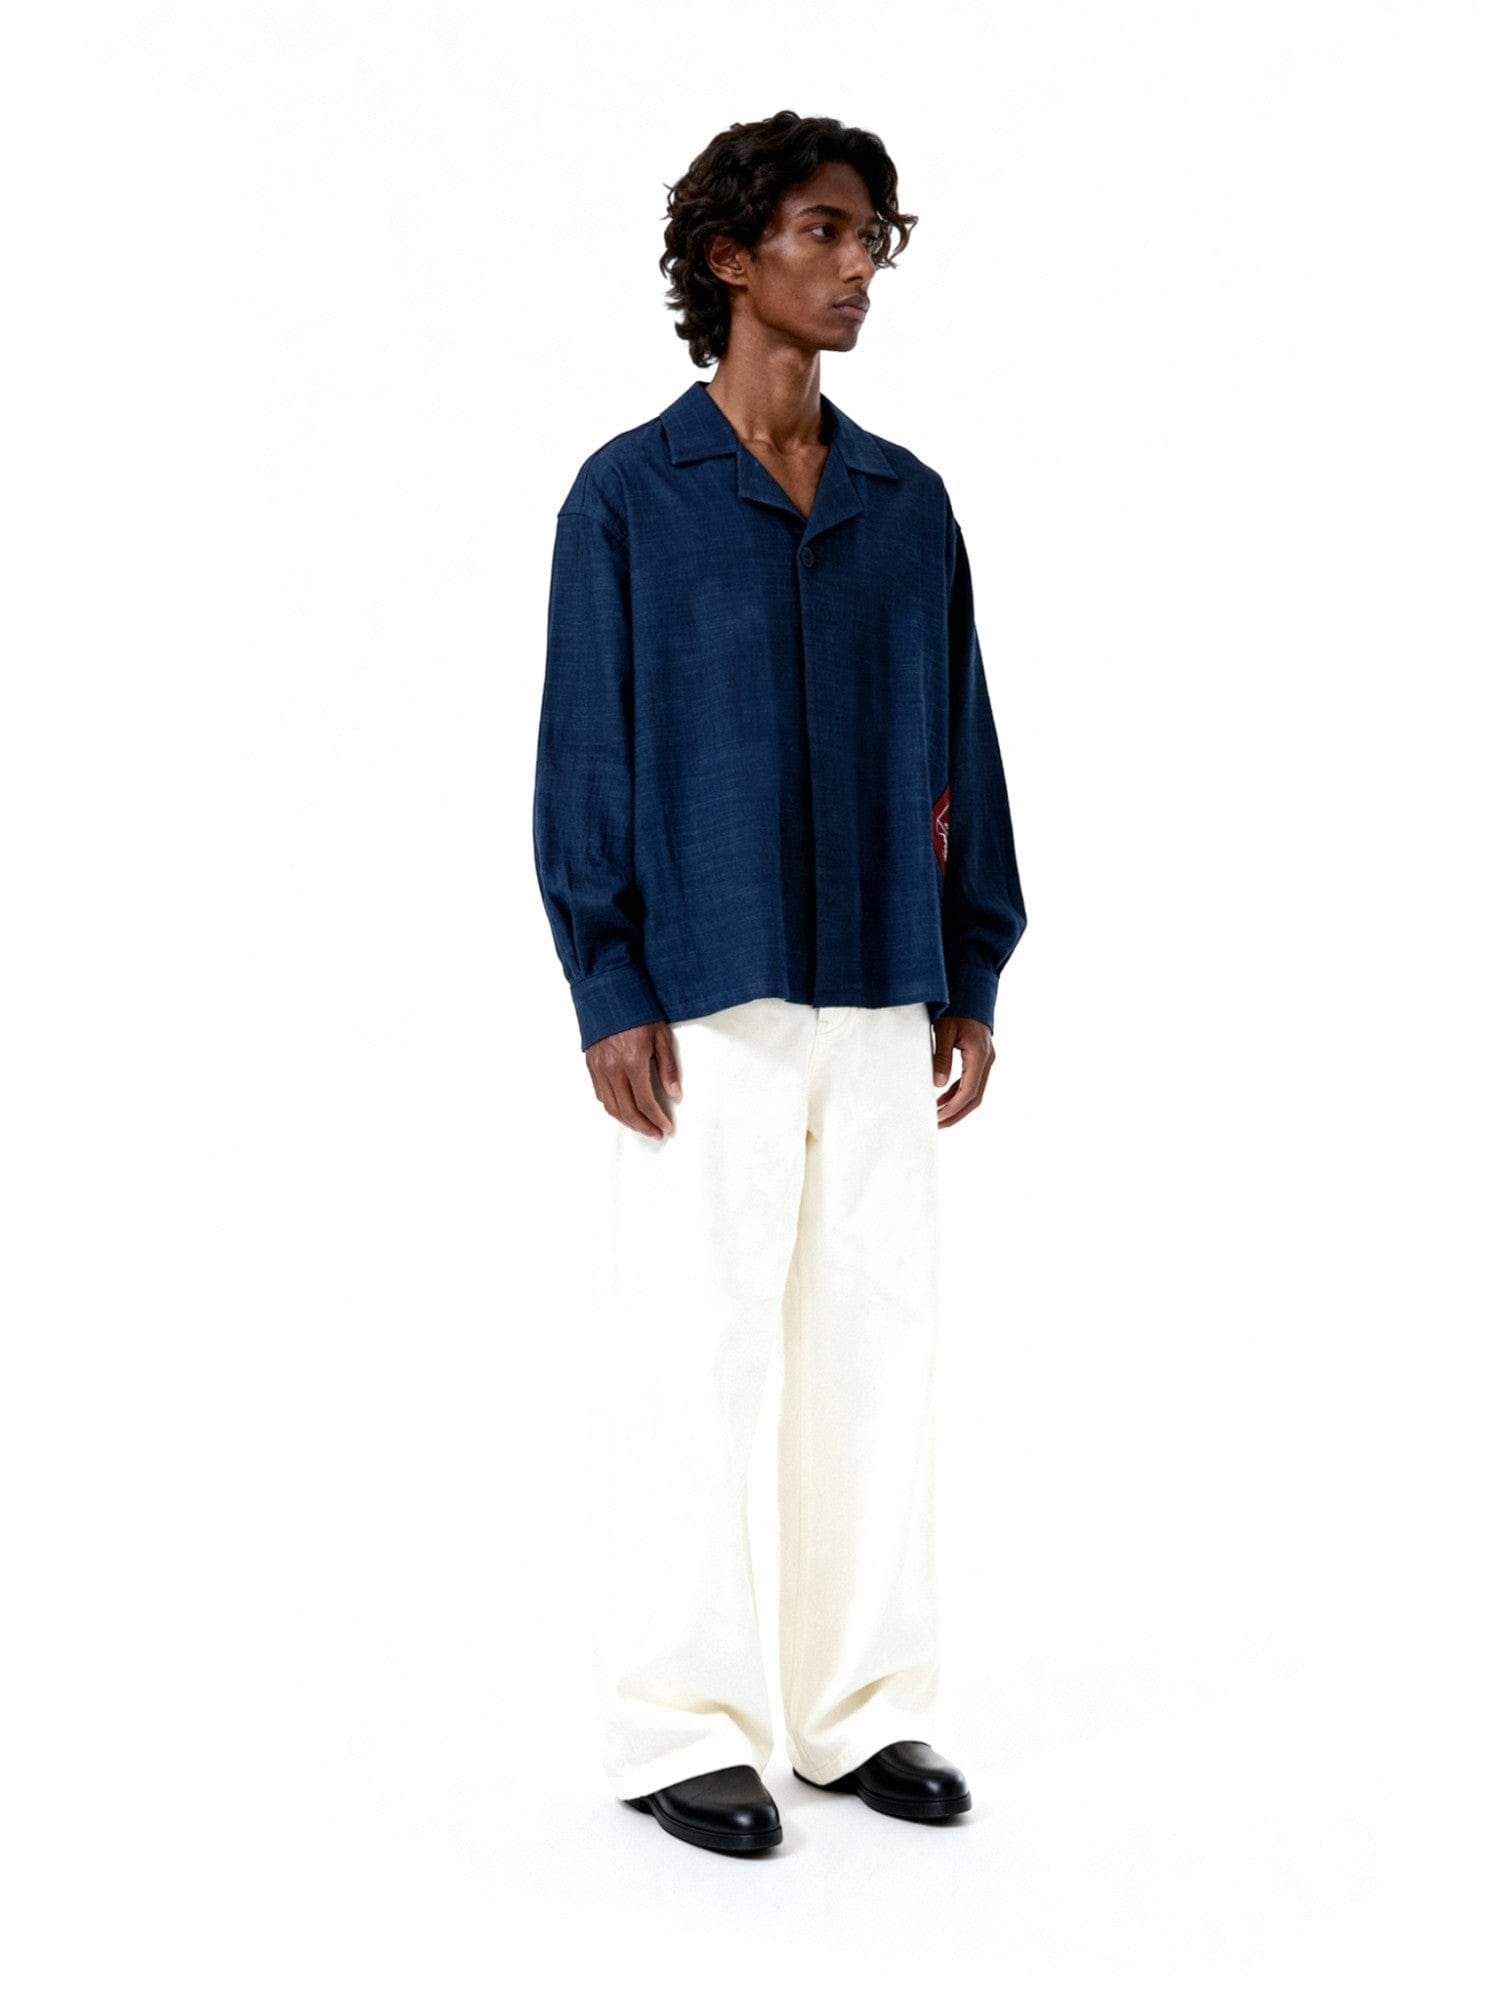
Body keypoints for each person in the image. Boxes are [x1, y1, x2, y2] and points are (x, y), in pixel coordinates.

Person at [531, 110, 1027, 1856]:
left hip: (886, 981)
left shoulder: (908, 505)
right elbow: (585, 753)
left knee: (876, 1353)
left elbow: (964, 741)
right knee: (693, 1357)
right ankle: (679, 1726)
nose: (857, 264)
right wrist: (609, 980)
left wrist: (972, 960)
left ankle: (860, 1712)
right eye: (824, 230)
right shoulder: (630, 496)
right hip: (706, 995)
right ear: (731, 257)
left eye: (874, 235)